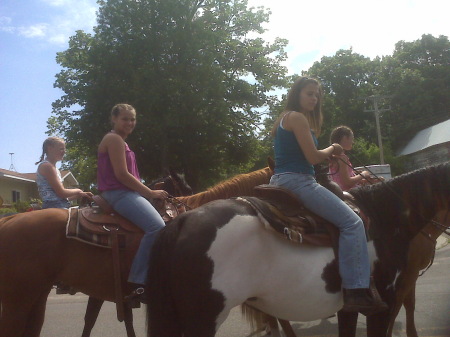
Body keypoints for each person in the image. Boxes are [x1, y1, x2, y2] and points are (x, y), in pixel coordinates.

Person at [269, 77, 387, 315]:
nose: (314, 98)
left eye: (317, 95)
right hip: (299, 181)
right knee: (352, 222)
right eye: (309, 93)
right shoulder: (297, 117)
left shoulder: (285, 119)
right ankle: (355, 290)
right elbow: (312, 157)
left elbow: (307, 155)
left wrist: (327, 154)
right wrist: (333, 148)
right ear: (297, 94)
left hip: (282, 179)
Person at [97, 103, 168, 300]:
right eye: (125, 119)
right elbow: (121, 175)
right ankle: (139, 281)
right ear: (114, 119)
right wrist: (150, 193)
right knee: (157, 227)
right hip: (119, 193)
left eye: (132, 119)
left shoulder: (120, 141)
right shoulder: (114, 139)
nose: (129, 122)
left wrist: (147, 190)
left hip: (125, 192)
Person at [36, 136, 93, 209]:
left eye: (64, 149)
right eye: (61, 149)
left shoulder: (53, 168)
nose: (64, 151)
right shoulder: (47, 166)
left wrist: (80, 195)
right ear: (50, 148)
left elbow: (60, 197)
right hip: (54, 206)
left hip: (57, 204)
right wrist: (78, 190)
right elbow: (61, 193)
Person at [328, 126, 372, 191]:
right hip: (348, 192)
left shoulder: (334, 156)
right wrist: (363, 174)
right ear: (345, 138)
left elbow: (341, 178)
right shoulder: (342, 158)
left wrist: (361, 180)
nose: (353, 142)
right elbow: (348, 183)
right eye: (352, 139)